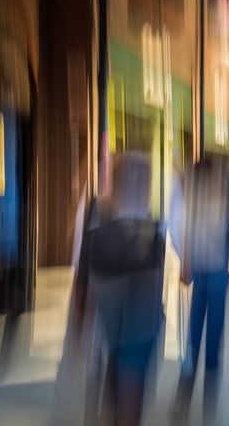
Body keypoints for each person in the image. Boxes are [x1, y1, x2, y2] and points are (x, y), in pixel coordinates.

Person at [73, 152, 165, 426]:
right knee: (130, 396)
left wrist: (81, 327)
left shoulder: (97, 234)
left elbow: (83, 287)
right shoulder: (154, 235)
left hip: (108, 329)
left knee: (113, 385)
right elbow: (155, 294)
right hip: (140, 329)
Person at [170, 154, 229, 425]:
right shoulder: (220, 195)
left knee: (192, 343)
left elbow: (182, 231)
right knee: (212, 347)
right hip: (217, 274)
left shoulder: (191, 192)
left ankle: (182, 405)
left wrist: (185, 265)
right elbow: (226, 240)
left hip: (198, 273)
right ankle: (208, 410)